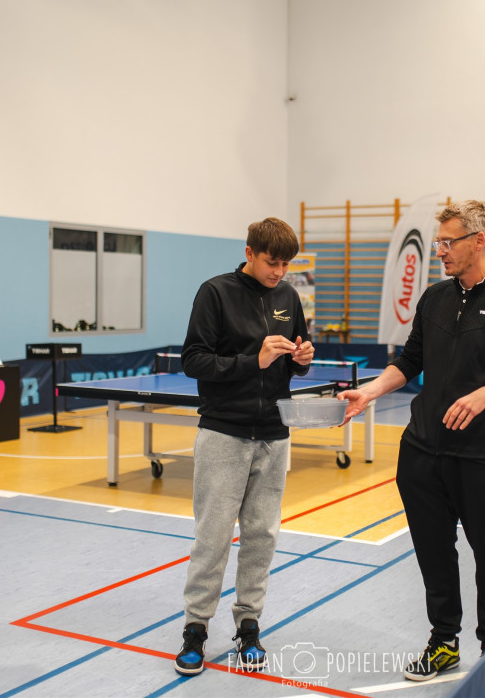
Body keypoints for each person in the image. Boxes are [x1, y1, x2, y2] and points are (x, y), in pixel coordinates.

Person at [338, 201, 485, 681]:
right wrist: (370, 391)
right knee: (433, 551)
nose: (440, 250)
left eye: (448, 242)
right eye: (438, 242)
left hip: (480, 455)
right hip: (422, 451)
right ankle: (444, 641)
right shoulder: (433, 297)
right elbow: (409, 361)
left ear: (478, 241)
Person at [174, 217, 314, 676]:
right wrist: (253, 360)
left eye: (286, 264)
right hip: (224, 434)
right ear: (250, 252)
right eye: (272, 262)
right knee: (213, 536)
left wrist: (302, 359)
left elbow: (294, 361)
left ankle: (248, 625)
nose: (279, 272)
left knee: (262, 536)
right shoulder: (215, 293)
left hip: (274, 434)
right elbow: (194, 360)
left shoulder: (288, 296)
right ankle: (195, 628)